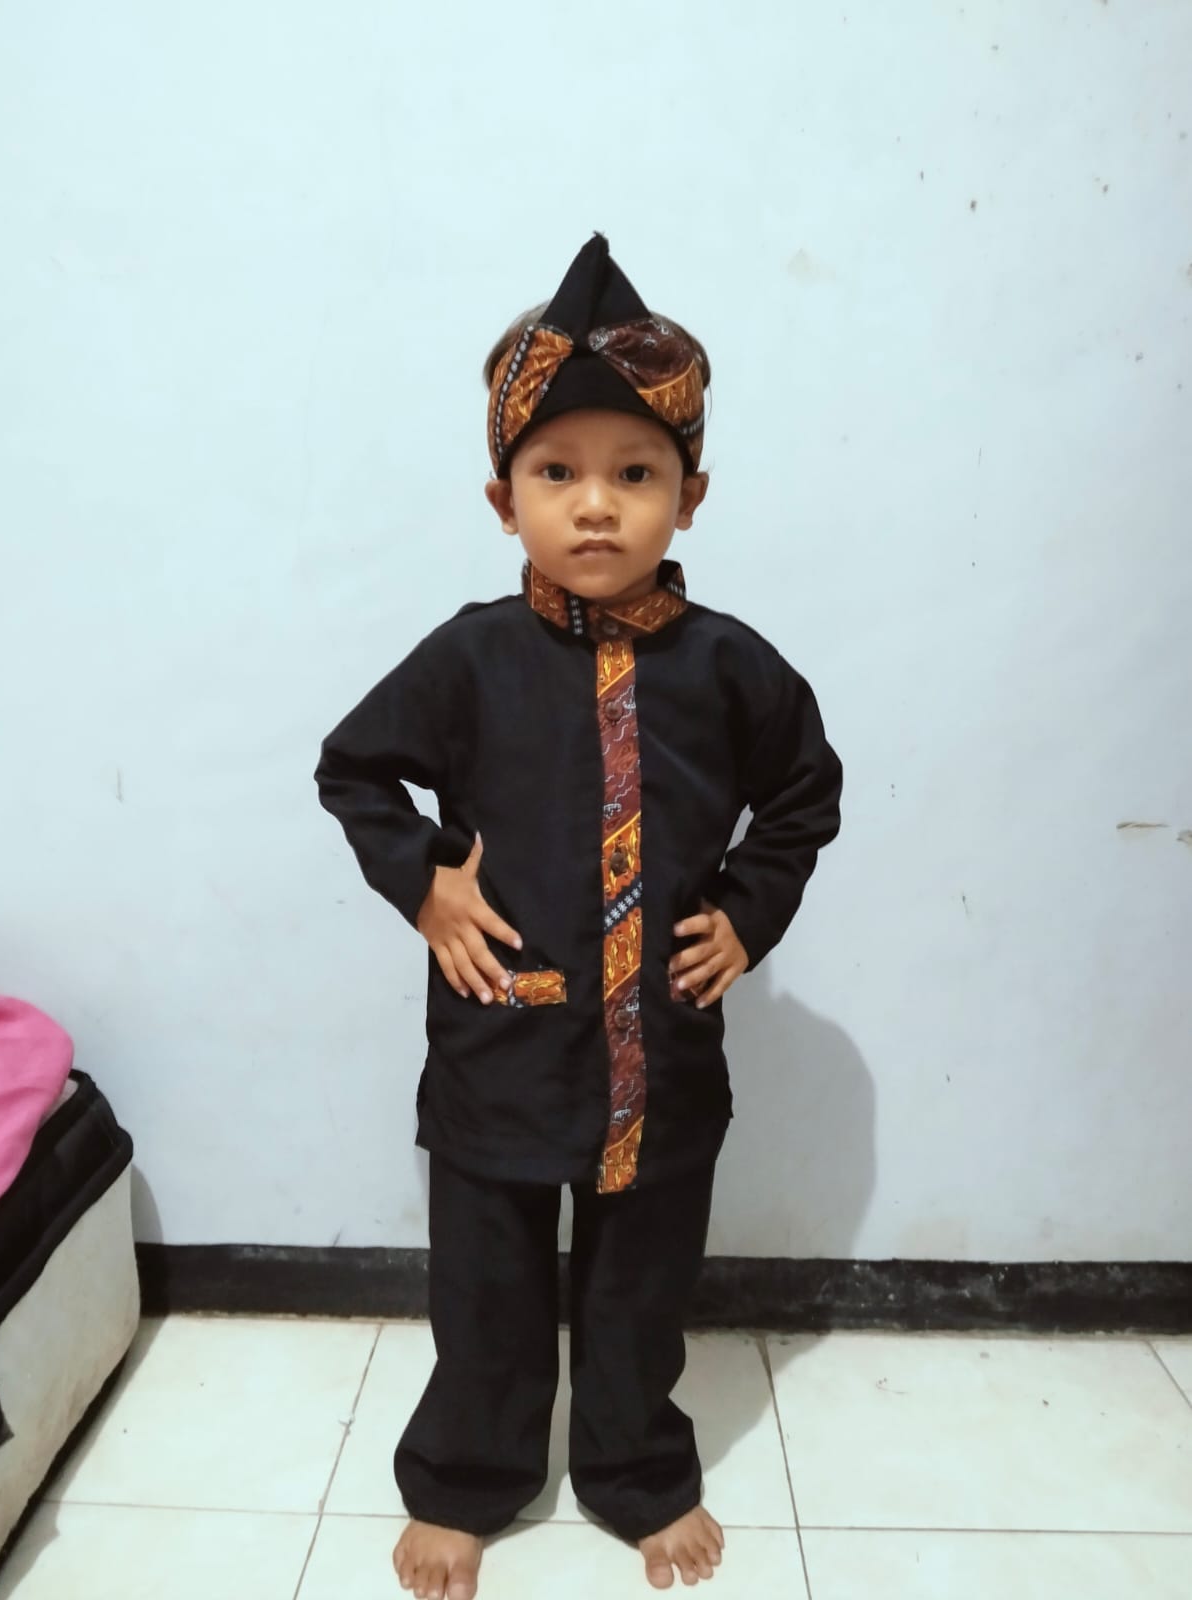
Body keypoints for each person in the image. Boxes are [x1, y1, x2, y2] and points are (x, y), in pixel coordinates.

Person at [314, 232, 843, 1599]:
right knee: (486, 1285)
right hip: (500, 1040)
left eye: (635, 474)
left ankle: (636, 1472)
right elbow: (352, 768)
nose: (596, 507)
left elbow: (804, 795)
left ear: (690, 495)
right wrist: (424, 881)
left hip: (662, 1047)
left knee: (639, 1287)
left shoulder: (731, 669)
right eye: (557, 473)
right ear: (505, 501)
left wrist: (746, 912)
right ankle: (466, 1481)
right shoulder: (470, 658)